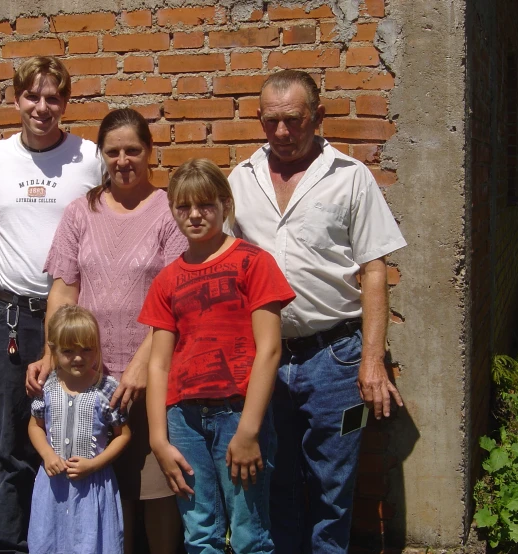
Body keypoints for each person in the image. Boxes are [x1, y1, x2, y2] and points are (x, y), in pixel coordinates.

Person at [227, 69, 408, 554]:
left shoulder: (349, 177)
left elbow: (374, 269)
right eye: (271, 122)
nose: (282, 133)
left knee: (332, 486)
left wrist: (373, 359)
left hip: (336, 358)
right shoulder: (240, 181)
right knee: (274, 480)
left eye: (294, 120)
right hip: (264, 359)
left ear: (319, 117)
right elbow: (221, 264)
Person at [26, 108, 185, 554]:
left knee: (154, 487)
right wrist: (47, 354)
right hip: (86, 378)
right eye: (112, 152)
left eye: (133, 150)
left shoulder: (168, 211)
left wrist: (140, 366)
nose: (123, 160)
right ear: (101, 156)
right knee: (106, 488)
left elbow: (175, 299)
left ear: (150, 152)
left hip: (150, 374)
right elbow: (63, 290)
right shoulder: (81, 212)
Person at [140, 159, 296, 554]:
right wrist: (158, 438)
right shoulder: (167, 279)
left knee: (249, 533)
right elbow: (158, 364)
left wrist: (248, 431)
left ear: (226, 205)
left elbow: (270, 350)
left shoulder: (254, 263)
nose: (194, 215)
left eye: (205, 204)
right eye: (183, 206)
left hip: (239, 413)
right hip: (183, 420)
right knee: (200, 531)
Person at [0, 56, 104, 553]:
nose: (42, 106)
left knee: (78, 445)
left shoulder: (89, 156)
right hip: (13, 319)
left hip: (75, 324)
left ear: (66, 102)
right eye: (32, 96)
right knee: (14, 447)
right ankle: (10, 546)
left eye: (53, 97)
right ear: (16, 99)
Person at [28, 305, 131, 554]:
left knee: (91, 543)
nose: (78, 357)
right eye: (68, 350)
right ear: (53, 350)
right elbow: (35, 427)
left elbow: (123, 434)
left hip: (93, 485)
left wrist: (95, 465)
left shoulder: (106, 389)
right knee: (50, 540)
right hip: (53, 485)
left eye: (87, 349)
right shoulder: (47, 387)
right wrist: (48, 455)